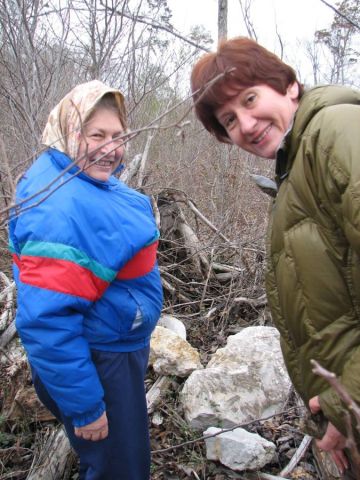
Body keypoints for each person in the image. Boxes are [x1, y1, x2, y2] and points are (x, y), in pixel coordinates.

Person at [190, 36, 360, 478]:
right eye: (229, 120)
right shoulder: (296, 163)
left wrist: (349, 399)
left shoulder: (336, 132)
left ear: (288, 86)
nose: (245, 124)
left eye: (250, 99)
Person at [9, 80, 163, 479]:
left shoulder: (71, 176)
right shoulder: (61, 211)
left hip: (108, 345)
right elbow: (47, 322)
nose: (111, 148)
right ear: (67, 132)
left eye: (118, 136)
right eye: (97, 135)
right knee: (121, 471)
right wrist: (87, 407)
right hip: (100, 359)